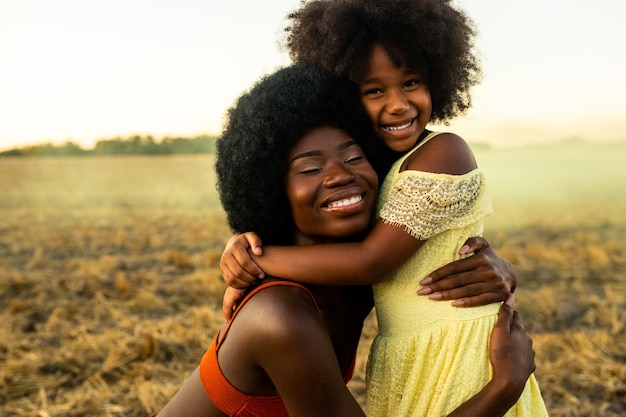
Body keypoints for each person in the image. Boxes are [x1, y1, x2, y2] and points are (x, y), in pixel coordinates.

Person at [219, 1, 549, 416]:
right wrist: (244, 249)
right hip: (407, 355)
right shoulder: (369, 169)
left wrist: (258, 260)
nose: (397, 104)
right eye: (374, 90)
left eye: (411, 82)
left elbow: (370, 261)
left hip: (457, 349)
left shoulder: (443, 150)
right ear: (345, 97)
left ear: (439, 80)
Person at [153, 65, 537, 417]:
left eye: (354, 158)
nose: (340, 176)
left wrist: (498, 264)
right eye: (310, 168)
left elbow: (389, 253)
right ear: (269, 190)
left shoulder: (356, 284)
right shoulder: (279, 317)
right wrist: (505, 386)